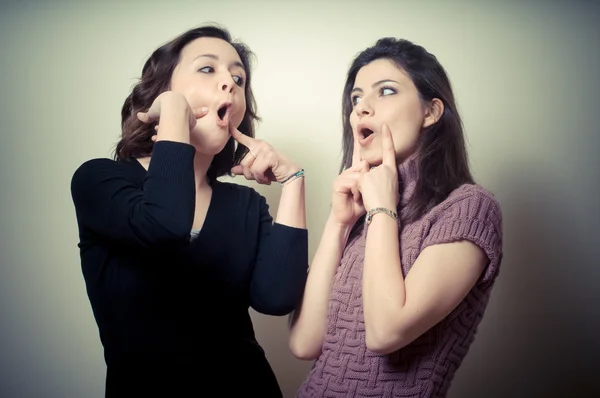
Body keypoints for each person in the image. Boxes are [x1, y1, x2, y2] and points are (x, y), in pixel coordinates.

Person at [70, 25, 308, 397]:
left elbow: (275, 298)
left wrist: (294, 181)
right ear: (160, 92)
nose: (229, 82)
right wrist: (175, 114)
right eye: (207, 69)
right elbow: (163, 224)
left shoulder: (246, 204)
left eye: (238, 78)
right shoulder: (99, 180)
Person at [290, 37, 503, 397]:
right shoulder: (365, 214)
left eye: (385, 91)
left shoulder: (468, 208)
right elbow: (305, 344)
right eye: (356, 98)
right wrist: (339, 223)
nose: (361, 108)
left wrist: (382, 210)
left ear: (431, 111)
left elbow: (385, 332)